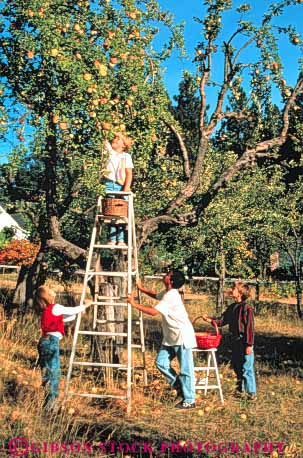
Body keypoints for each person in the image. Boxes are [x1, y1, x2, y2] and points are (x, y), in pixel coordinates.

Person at [127, 270, 197, 409]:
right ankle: (179, 387)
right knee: (161, 363)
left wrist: (133, 304)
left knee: (185, 369)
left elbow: (153, 312)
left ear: (170, 281)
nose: (164, 275)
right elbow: (156, 295)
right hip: (171, 337)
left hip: (181, 336)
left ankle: (190, 400)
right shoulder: (167, 293)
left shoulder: (171, 295)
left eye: (167, 274)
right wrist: (142, 289)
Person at [34, 285, 91, 411]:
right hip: (51, 342)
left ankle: (48, 403)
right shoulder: (56, 307)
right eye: (50, 290)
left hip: (44, 342)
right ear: (48, 296)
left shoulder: (48, 310)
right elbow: (71, 311)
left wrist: (78, 312)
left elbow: (67, 317)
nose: (53, 292)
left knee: (48, 373)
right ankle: (51, 407)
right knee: (53, 373)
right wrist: (85, 305)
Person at [203, 281, 257, 400]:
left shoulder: (247, 309)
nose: (231, 290)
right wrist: (210, 320)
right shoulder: (232, 307)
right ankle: (240, 390)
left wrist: (249, 344)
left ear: (240, 293)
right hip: (235, 341)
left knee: (247, 367)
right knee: (237, 365)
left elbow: (249, 328)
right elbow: (222, 320)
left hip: (244, 341)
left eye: (234, 288)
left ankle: (251, 392)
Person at [102, 132, 134, 247]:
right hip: (109, 184)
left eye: (118, 139)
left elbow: (129, 173)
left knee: (120, 212)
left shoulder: (126, 156)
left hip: (121, 185)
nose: (115, 139)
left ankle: (120, 239)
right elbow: (104, 139)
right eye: (114, 138)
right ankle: (111, 238)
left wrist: (126, 187)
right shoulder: (109, 153)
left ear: (124, 145)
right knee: (110, 212)